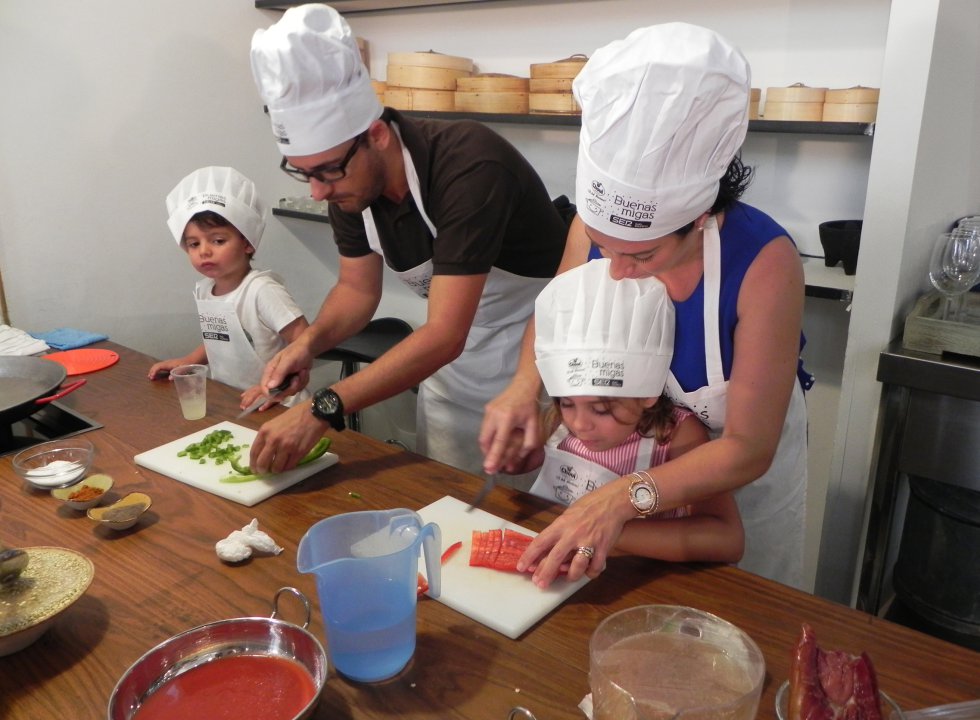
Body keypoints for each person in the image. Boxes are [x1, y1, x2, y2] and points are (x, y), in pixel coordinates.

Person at [480, 23, 811, 590]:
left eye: (641, 254)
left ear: (700, 216)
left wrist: (623, 502)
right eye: (603, 246)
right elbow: (557, 312)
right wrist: (522, 389)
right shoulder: (596, 227)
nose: (614, 269)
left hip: (732, 497)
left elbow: (749, 448)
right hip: (621, 498)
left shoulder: (764, 265)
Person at [246, 4, 568, 476]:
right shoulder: (350, 188)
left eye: (327, 171)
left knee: (527, 528)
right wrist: (307, 345)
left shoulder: (471, 166)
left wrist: (323, 408)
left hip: (534, 368)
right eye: (303, 174)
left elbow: (444, 333)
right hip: (450, 372)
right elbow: (357, 290)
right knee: (441, 508)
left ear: (376, 135)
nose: (318, 191)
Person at [509, 258, 743, 568]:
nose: (579, 424)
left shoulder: (677, 436)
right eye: (566, 403)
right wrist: (521, 458)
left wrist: (608, 530)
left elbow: (726, 540)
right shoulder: (562, 421)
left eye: (602, 409)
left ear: (647, 393)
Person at [148, 166, 310, 410]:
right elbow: (222, 338)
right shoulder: (204, 290)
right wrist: (189, 362)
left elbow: (304, 340)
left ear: (247, 242)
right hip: (234, 400)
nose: (204, 251)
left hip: (280, 405)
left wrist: (275, 386)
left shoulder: (262, 290)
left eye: (218, 240)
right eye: (194, 244)